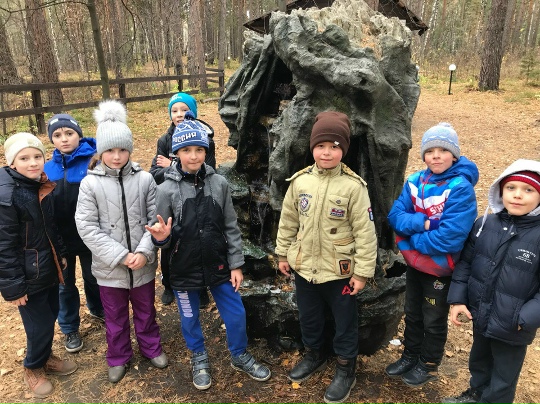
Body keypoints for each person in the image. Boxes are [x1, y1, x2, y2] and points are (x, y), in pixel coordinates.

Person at [146, 113, 271, 390]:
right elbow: (160, 235)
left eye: (199, 149)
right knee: (189, 318)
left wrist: (236, 264)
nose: (193, 156)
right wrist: (162, 239)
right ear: (176, 153)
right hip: (183, 269)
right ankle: (199, 356)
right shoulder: (165, 190)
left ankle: (239, 354)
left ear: (206, 151)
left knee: (236, 313)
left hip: (219, 265)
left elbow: (230, 226)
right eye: (187, 150)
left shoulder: (219, 184)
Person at [275, 111, 378, 404]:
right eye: (321, 146)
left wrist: (361, 273)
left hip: (339, 272)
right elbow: (288, 221)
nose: (327, 152)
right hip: (305, 267)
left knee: (345, 321)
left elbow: (365, 233)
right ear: (313, 148)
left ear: (343, 149)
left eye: (334, 146)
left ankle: (346, 367)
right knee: (309, 317)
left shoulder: (354, 187)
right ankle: (314, 354)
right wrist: (282, 253)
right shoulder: (300, 182)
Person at [75, 100, 167, 383]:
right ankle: (118, 356)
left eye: (122, 150)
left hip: (142, 264)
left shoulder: (145, 180)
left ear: (130, 150)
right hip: (110, 268)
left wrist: (143, 251)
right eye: (110, 150)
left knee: (146, 310)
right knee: (114, 317)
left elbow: (155, 219)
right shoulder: (90, 184)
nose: (116, 157)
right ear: (101, 152)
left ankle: (151, 347)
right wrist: (120, 255)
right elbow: (87, 226)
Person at [385, 122, 479, 387]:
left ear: (454, 155)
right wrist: (423, 223)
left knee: (433, 318)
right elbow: (395, 216)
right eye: (430, 151)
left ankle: (428, 364)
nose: (436, 156)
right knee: (412, 313)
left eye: (443, 150)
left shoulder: (460, 188)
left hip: (440, 269)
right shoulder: (415, 181)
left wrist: (411, 240)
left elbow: (450, 237)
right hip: (415, 266)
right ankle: (410, 355)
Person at [442, 160, 540, 404]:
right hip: (481, 312)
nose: (517, 195)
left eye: (528, 190)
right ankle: (476, 394)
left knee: (504, 375)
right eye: (511, 188)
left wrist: (526, 317)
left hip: (514, 323)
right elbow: (465, 263)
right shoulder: (485, 224)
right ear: (500, 190)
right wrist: (458, 299)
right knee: (479, 360)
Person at [0, 133, 78, 398]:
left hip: (47, 267)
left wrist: (62, 254)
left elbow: (52, 227)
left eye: (37, 156)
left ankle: (45, 357)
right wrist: (13, 286)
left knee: (52, 311)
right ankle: (33, 367)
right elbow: (4, 246)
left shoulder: (41, 185)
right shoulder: (8, 195)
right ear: (12, 163)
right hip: (27, 275)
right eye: (24, 158)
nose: (32, 162)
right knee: (38, 324)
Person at [44, 113, 104, 354]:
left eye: (69, 133)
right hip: (60, 240)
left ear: (78, 134)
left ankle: (98, 308)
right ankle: (69, 327)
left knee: (93, 277)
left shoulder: (93, 162)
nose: (64, 139)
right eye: (58, 135)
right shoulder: (47, 169)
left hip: (88, 236)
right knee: (65, 285)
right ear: (52, 140)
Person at [149, 92, 215, 305]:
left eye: (184, 110)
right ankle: (169, 284)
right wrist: (176, 169)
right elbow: (154, 173)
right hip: (172, 199)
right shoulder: (164, 140)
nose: (179, 114)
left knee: (199, 240)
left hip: (198, 196)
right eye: (174, 110)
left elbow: (210, 169)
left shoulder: (206, 138)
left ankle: (201, 287)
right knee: (170, 242)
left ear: (193, 112)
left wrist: (172, 164)